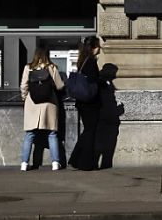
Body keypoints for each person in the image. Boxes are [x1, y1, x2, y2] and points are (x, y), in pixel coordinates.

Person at [19, 45, 65, 171]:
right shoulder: (51, 67)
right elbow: (60, 86)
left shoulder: (28, 68)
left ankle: (24, 163)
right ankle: (55, 163)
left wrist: (25, 98)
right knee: (52, 133)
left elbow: (23, 86)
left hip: (32, 103)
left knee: (30, 134)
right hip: (49, 103)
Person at [68, 36, 102, 171]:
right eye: (98, 45)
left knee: (87, 130)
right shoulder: (91, 62)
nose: (100, 48)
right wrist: (103, 81)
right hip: (90, 103)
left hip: (82, 102)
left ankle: (76, 159)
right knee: (90, 131)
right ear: (94, 47)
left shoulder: (82, 60)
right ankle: (85, 163)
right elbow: (93, 81)